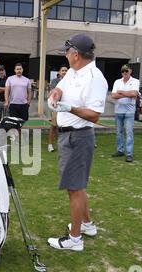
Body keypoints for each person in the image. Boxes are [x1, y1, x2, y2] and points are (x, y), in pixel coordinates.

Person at [46, 34, 107, 252]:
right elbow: (62, 86)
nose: (65, 55)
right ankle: (87, 225)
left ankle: (74, 239)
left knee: (74, 188)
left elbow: (94, 115)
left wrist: (68, 108)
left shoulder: (95, 77)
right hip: (68, 135)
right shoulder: (73, 71)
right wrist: (57, 92)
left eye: (67, 51)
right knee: (77, 186)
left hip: (78, 137)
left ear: (76, 54)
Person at [111, 64, 140, 163]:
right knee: (119, 133)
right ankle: (120, 150)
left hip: (129, 112)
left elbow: (134, 94)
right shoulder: (117, 81)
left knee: (129, 133)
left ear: (130, 71)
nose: (124, 73)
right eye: (123, 71)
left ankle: (129, 154)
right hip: (118, 111)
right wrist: (128, 94)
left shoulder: (135, 81)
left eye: (126, 71)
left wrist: (121, 92)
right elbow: (113, 95)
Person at [48, 65, 68, 152]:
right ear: (59, 72)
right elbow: (53, 93)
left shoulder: (70, 81)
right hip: (56, 107)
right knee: (54, 126)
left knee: (66, 127)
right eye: (62, 70)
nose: (64, 72)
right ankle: (50, 145)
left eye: (66, 70)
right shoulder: (55, 81)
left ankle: (64, 145)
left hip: (67, 107)